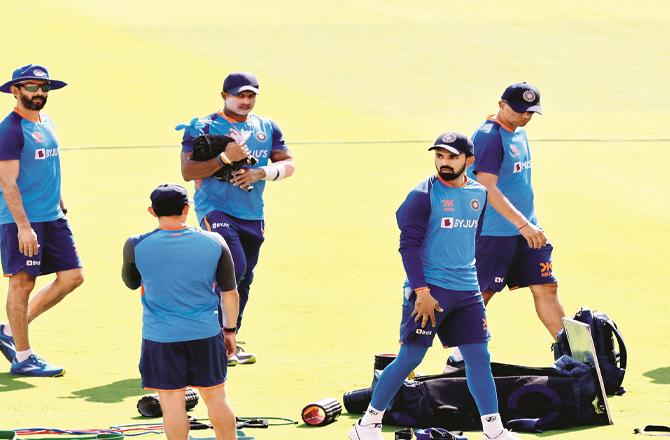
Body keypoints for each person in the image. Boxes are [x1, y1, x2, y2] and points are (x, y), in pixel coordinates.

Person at [349, 133, 520, 440]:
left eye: (452, 157)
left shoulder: (478, 193)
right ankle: (367, 425)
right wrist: (422, 293)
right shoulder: (422, 195)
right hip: (430, 292)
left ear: (468, 161)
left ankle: (494, 431)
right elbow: (408, 246)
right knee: (411, 358)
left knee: (478, 359)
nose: (444, 162)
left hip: (467, 292)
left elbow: (471, 239)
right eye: (439, 156)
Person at [179, 71, 295, 365]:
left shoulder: (266, 127)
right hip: (214, 209)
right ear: (224, 96)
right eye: (239, 95)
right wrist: (225, 159)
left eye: (250, 96)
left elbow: (288, 164)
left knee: (244, 279)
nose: (245, 101)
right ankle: (207, 339)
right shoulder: (202, 126)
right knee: (235, 268)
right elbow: (188, 172)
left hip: (252, 214)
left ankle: (228, 342)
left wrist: (260, 173)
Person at [447, 82, 564, 369]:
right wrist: (524, 225)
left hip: (526, 230)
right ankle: (459, 358)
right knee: (482, 293)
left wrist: (528, 225)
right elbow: (487, 187)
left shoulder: (519, 132)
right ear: (502, 105)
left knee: (546, 288)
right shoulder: (489, 137)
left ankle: (570, 353)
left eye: (530, 112)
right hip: (494, 232)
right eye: (520, 111)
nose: (525, 117)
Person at [122, 183, 239, 440]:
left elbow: (131, 282)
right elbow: (230, 293)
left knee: (172, 403)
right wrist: (230, 331)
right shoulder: (215, 242)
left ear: (152, 211)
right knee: (216, 397)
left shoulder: (135, 245)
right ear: (187, 208)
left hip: (161, 338)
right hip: (206, 334)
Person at [0, 64, 84, 377]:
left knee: (72, 277)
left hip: (52, 216)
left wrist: (59, 199)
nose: (39, 93)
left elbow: (48, 166)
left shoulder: (46, 121)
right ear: (15, 91)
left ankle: (9, 330)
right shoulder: (10, 130)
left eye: (43, 87)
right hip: (21, 220)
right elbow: (7, 183)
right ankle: (23, 358)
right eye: (32, 87)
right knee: (23, 282)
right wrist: (23, 226)